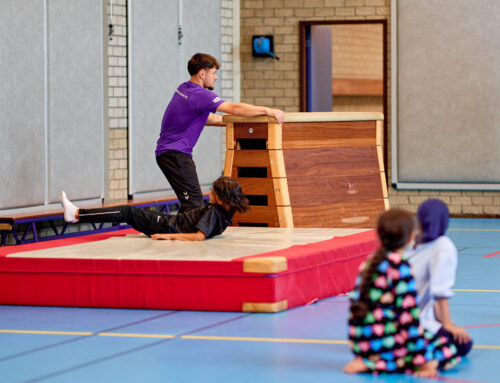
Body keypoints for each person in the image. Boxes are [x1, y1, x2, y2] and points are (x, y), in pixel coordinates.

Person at [156, 52, 285, 212]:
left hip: (170, 153)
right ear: (202, 73)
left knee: (191, 202)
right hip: (174, 154)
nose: (216, 77)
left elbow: (208, 119)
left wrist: (233, 123)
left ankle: (179, 232)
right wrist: (268, 110)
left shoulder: (185, 88)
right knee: (194, 203)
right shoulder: (200, 94)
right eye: (214, 73)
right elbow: (234, 108)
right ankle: (178, 233)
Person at [344, 209, 460, 377]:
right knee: (447, 349)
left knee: (426, 339)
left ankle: (367, 359)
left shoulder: (369, 263)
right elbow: (409, 320)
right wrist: (424, 361)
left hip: (360, 344)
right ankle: (378, 362)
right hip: (386, 343)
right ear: (410, 237)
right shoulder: (401, 268)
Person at [60, 176, 249, 241]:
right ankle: (77, 215)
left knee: (127, 212)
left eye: (213, 192)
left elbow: (199, 236)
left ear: (221, 197)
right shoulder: (225, 213)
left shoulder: (214, 212)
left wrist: (170, 236)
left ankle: (77, 214)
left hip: (166, 227)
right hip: (168, 222)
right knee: (131, 213)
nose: (209, 193)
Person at [408, 199, 473, 358]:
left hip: (393, 318)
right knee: (463, 344)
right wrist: (447, 324)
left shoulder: (409, 241)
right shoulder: (444, 246)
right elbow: (440, 292)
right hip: (415, 323)